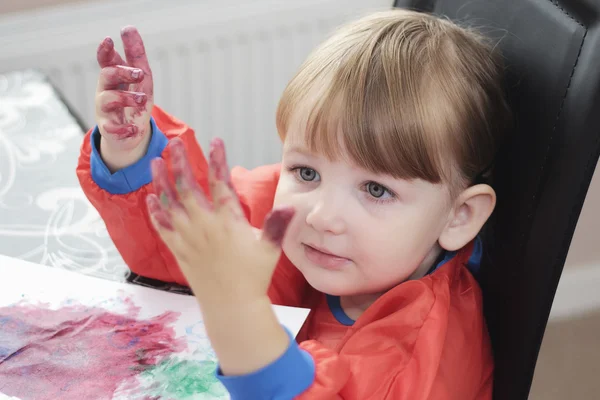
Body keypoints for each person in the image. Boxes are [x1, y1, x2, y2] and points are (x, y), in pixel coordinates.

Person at [77, 9, 511, 399]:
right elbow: (190, 247)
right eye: (307, 172)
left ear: (460, 216)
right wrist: (132, 154)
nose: (321, 215)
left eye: (376, 190)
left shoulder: (420, 355)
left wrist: (240, 312)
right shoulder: (286, 212)